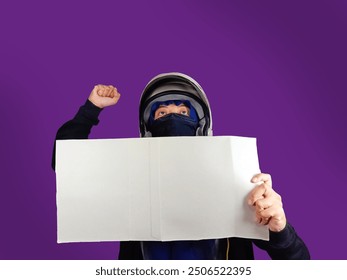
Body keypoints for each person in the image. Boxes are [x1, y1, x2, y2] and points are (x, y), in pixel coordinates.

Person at [52, 72, 310, 260]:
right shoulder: (132, 179)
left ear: (201, 124)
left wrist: (279, 229)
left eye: (183, 112)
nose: (172, 117)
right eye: (162, 113)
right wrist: (90, 110)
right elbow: (67, 166)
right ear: (148, 127)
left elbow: (299, 265)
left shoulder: (234, 178)